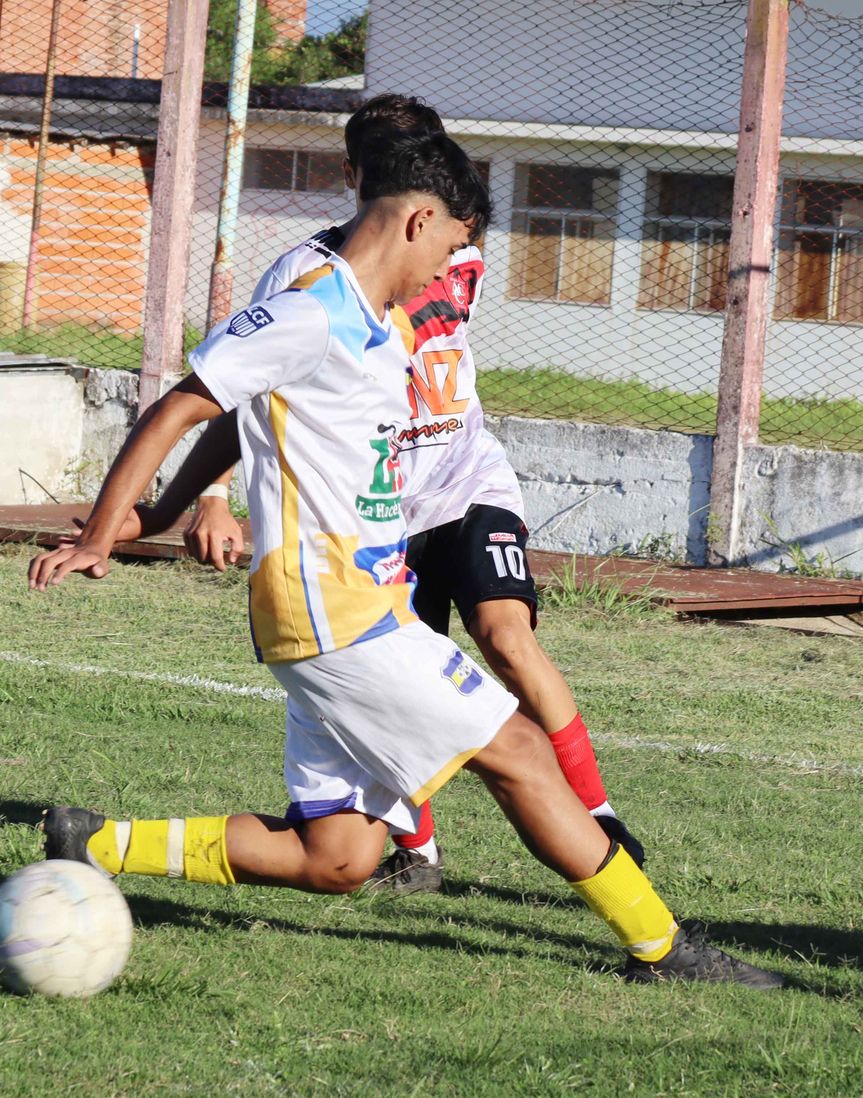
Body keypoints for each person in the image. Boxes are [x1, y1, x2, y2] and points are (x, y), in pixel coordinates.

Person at [28, 130, 781, 987]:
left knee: (339, 857)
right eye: (453, 247)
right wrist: (105, 531)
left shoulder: (378, 323)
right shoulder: (311, 306)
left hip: (353, 607)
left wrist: (157, 511)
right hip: (332, 609)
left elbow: (246, 418)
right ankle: (664, 950)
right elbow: (185, 405)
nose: (450, 273)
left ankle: (90, 842)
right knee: (520, 754)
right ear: (419, 219)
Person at [178, 94, 642, 893]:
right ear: (360, 177)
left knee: (505, 636)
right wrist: (212, 495)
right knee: (407, 673)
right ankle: (416, 851)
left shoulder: (458, 240)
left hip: (465, 477)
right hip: (380, 513)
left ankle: (595, 817)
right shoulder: (307, 277)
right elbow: (235, 389)